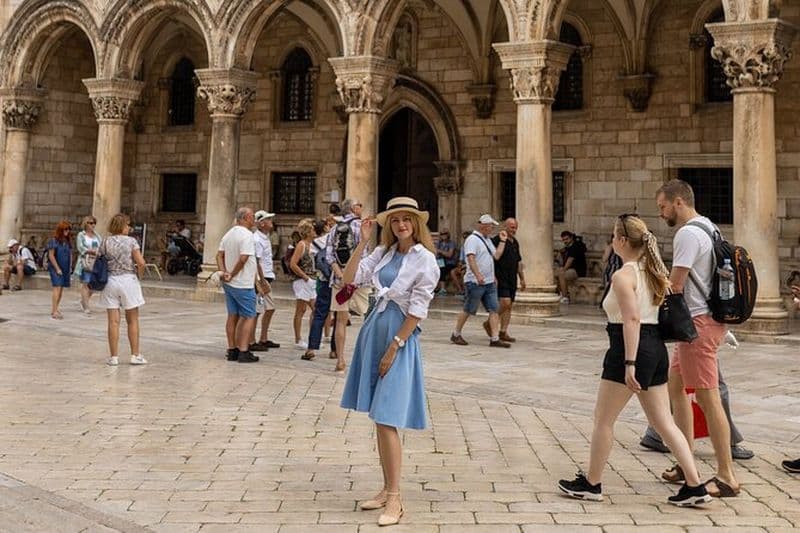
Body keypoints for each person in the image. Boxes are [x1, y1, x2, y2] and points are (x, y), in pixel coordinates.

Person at [558, 214, 711, 507]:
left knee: (603, 420)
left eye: (614, 236)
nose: (612, 240)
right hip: (656, 349)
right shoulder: (653, 272)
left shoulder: (623, 275)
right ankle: (695, 485)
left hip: (630, 348)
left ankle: (591, 483)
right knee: (664, 422)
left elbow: (631, 319)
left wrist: (629, 364)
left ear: (623, 241)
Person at [339, 196, 439, 527]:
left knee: (386, 416)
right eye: (395, 220)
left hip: (399, 338)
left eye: (406, 219)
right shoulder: (383, 254)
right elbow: (349, 281)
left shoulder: (425, 259)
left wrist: (395, 345)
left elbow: (418, 309)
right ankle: (385, 489)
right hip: (373, 330)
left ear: (416, 222)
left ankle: (395, 498)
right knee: (379, 417)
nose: (400, 225)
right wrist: (363, 241)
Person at [655, 179, 739, 498]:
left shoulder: (687, 234)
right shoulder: (710, 227)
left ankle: (727, 475)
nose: (662, 213)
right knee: (676, 387)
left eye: (663, 206)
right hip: (702, 322)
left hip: (697, 324)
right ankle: (685, 459)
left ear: (678, 202)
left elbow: (676, 284)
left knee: (708, 396)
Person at [450, 215, 511, 348]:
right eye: (490, 226)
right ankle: (456, 334)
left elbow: (496, 256)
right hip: (475, 282)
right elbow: (471, 258)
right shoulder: (472, 240)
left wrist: (502, 241)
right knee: (468, 309)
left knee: (494, 309)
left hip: (489, 282)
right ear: (483, 226)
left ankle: (494, 339)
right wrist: (478, 275)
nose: (492, 228)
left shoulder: (487, 240)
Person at [327, 198, 370, 373]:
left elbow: (329, 257)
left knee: (340, 321)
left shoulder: (333, 229)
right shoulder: (361, 226)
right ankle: (367, 358)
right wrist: (353, 278)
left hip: (339, 281)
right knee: (368, 318)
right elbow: (364, 254)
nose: (362, 208)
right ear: (353, 208)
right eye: (360, 205)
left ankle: (340, 359)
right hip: (359, 280)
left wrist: (342, 276)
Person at [99, 213, 147, 366]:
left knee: (113, 322)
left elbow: (100, 259)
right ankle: (135, 354)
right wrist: (139, 276)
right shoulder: (132, 241)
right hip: (128, 279)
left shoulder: (105, 241)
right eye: (127, 225)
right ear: (122, 226)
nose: (129, 228)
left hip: (110, 281)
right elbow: (141, 263)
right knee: (132, 320)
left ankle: (114, 357)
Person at [217, 207, 259, 364]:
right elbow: (243, 258)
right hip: (243, 282)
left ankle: (232, 349)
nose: (254, 219)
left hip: (230, 284)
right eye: (253, 216)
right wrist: (232, 273)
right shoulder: (247, 235)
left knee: (232, 315)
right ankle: (243, 350)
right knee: (249, 316)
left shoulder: (229, 234)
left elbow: (219, 255)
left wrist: (224, 272)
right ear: (247, 217)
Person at [302, 219, 338, 361]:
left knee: (319, 314)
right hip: (337, 281)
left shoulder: (314, 244)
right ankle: (335, 350)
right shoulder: (334, 240)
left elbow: (315, 263)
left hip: (323, 281)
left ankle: (311, 348)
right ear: (325, 227)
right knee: (339, 316)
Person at [491, 218, 525, 342]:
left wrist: (522, 278)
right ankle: (490, 321)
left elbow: (518, 262)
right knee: (505, 302)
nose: (514, 230)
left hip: (512, 278)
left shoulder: (515, 242)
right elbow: (492, 258)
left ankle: (503, 331)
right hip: (501, 276)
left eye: (515, 227)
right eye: (511, 227)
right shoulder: (496, 240)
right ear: (505, 226)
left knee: (509, 306)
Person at [250, 210, 279, 351]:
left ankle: (263, 337)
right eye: (268, 219)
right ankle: (252, 340)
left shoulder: (265, 237)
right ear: (261, 223)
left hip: (267, 276)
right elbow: (256, 262)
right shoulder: (257, 239)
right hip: (263, 278)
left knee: (269, 308)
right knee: (257, 310)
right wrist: (261, 281)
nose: (271, 221)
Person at [289, 218, 317, 349]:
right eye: (312, 229)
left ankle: (313, 337)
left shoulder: (313, 245)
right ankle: (298, 339)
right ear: (307, 232)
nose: (314, 231)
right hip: (303, 280)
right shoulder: (302, 245)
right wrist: (305, 277)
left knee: (315, 309)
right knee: (301, 310)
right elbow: (293, 264)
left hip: (312, 280)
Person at [46, 221, 73, 320]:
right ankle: (54, 311)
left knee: (61, 289)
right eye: (65, 229)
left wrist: (70, 267)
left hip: (65, 267)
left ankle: (56, 308)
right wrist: (57, 268)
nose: (67, 231)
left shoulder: (67, 241)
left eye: (69, 229)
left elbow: (70, 254)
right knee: (57, 287)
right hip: (55, 267)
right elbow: (51, 255)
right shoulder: (54, 241)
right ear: (60, 230)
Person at [75, 216, 102, 314]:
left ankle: (83, 300)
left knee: (94, 284)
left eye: (94, 223)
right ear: (85, 223)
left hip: (96, 262)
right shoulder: (81, 235)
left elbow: (101, 246)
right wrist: (90, 251)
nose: (92, 225)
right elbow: (80, 247)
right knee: (85, 282)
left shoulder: (97, 236)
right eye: (90, 223)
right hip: (85, 261)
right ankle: (86, 305)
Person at [557, 230, 587, 304]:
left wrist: (563, 269)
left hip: (577, 271)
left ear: (571, 238)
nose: (565, 241)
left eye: (566, 239)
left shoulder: (575, 247)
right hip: (570, 270)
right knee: (555, 273)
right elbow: (559, 260)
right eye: (563, 240)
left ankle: (565, 297)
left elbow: (570, 260)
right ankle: (560, 293)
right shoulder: (567, 248)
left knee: (561, 274)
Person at [434, 230, 457, 295]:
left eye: (445, 234)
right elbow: (435, 252)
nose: (443, 235)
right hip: (440, 261)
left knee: (442, 269)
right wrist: (441, 252)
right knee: (434, 269)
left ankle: (443, 289)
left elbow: (449, 254)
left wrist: (440, 251)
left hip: (449, 262)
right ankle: (436, 287)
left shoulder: (451, 243)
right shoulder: (439, 243)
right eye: (442, 234)